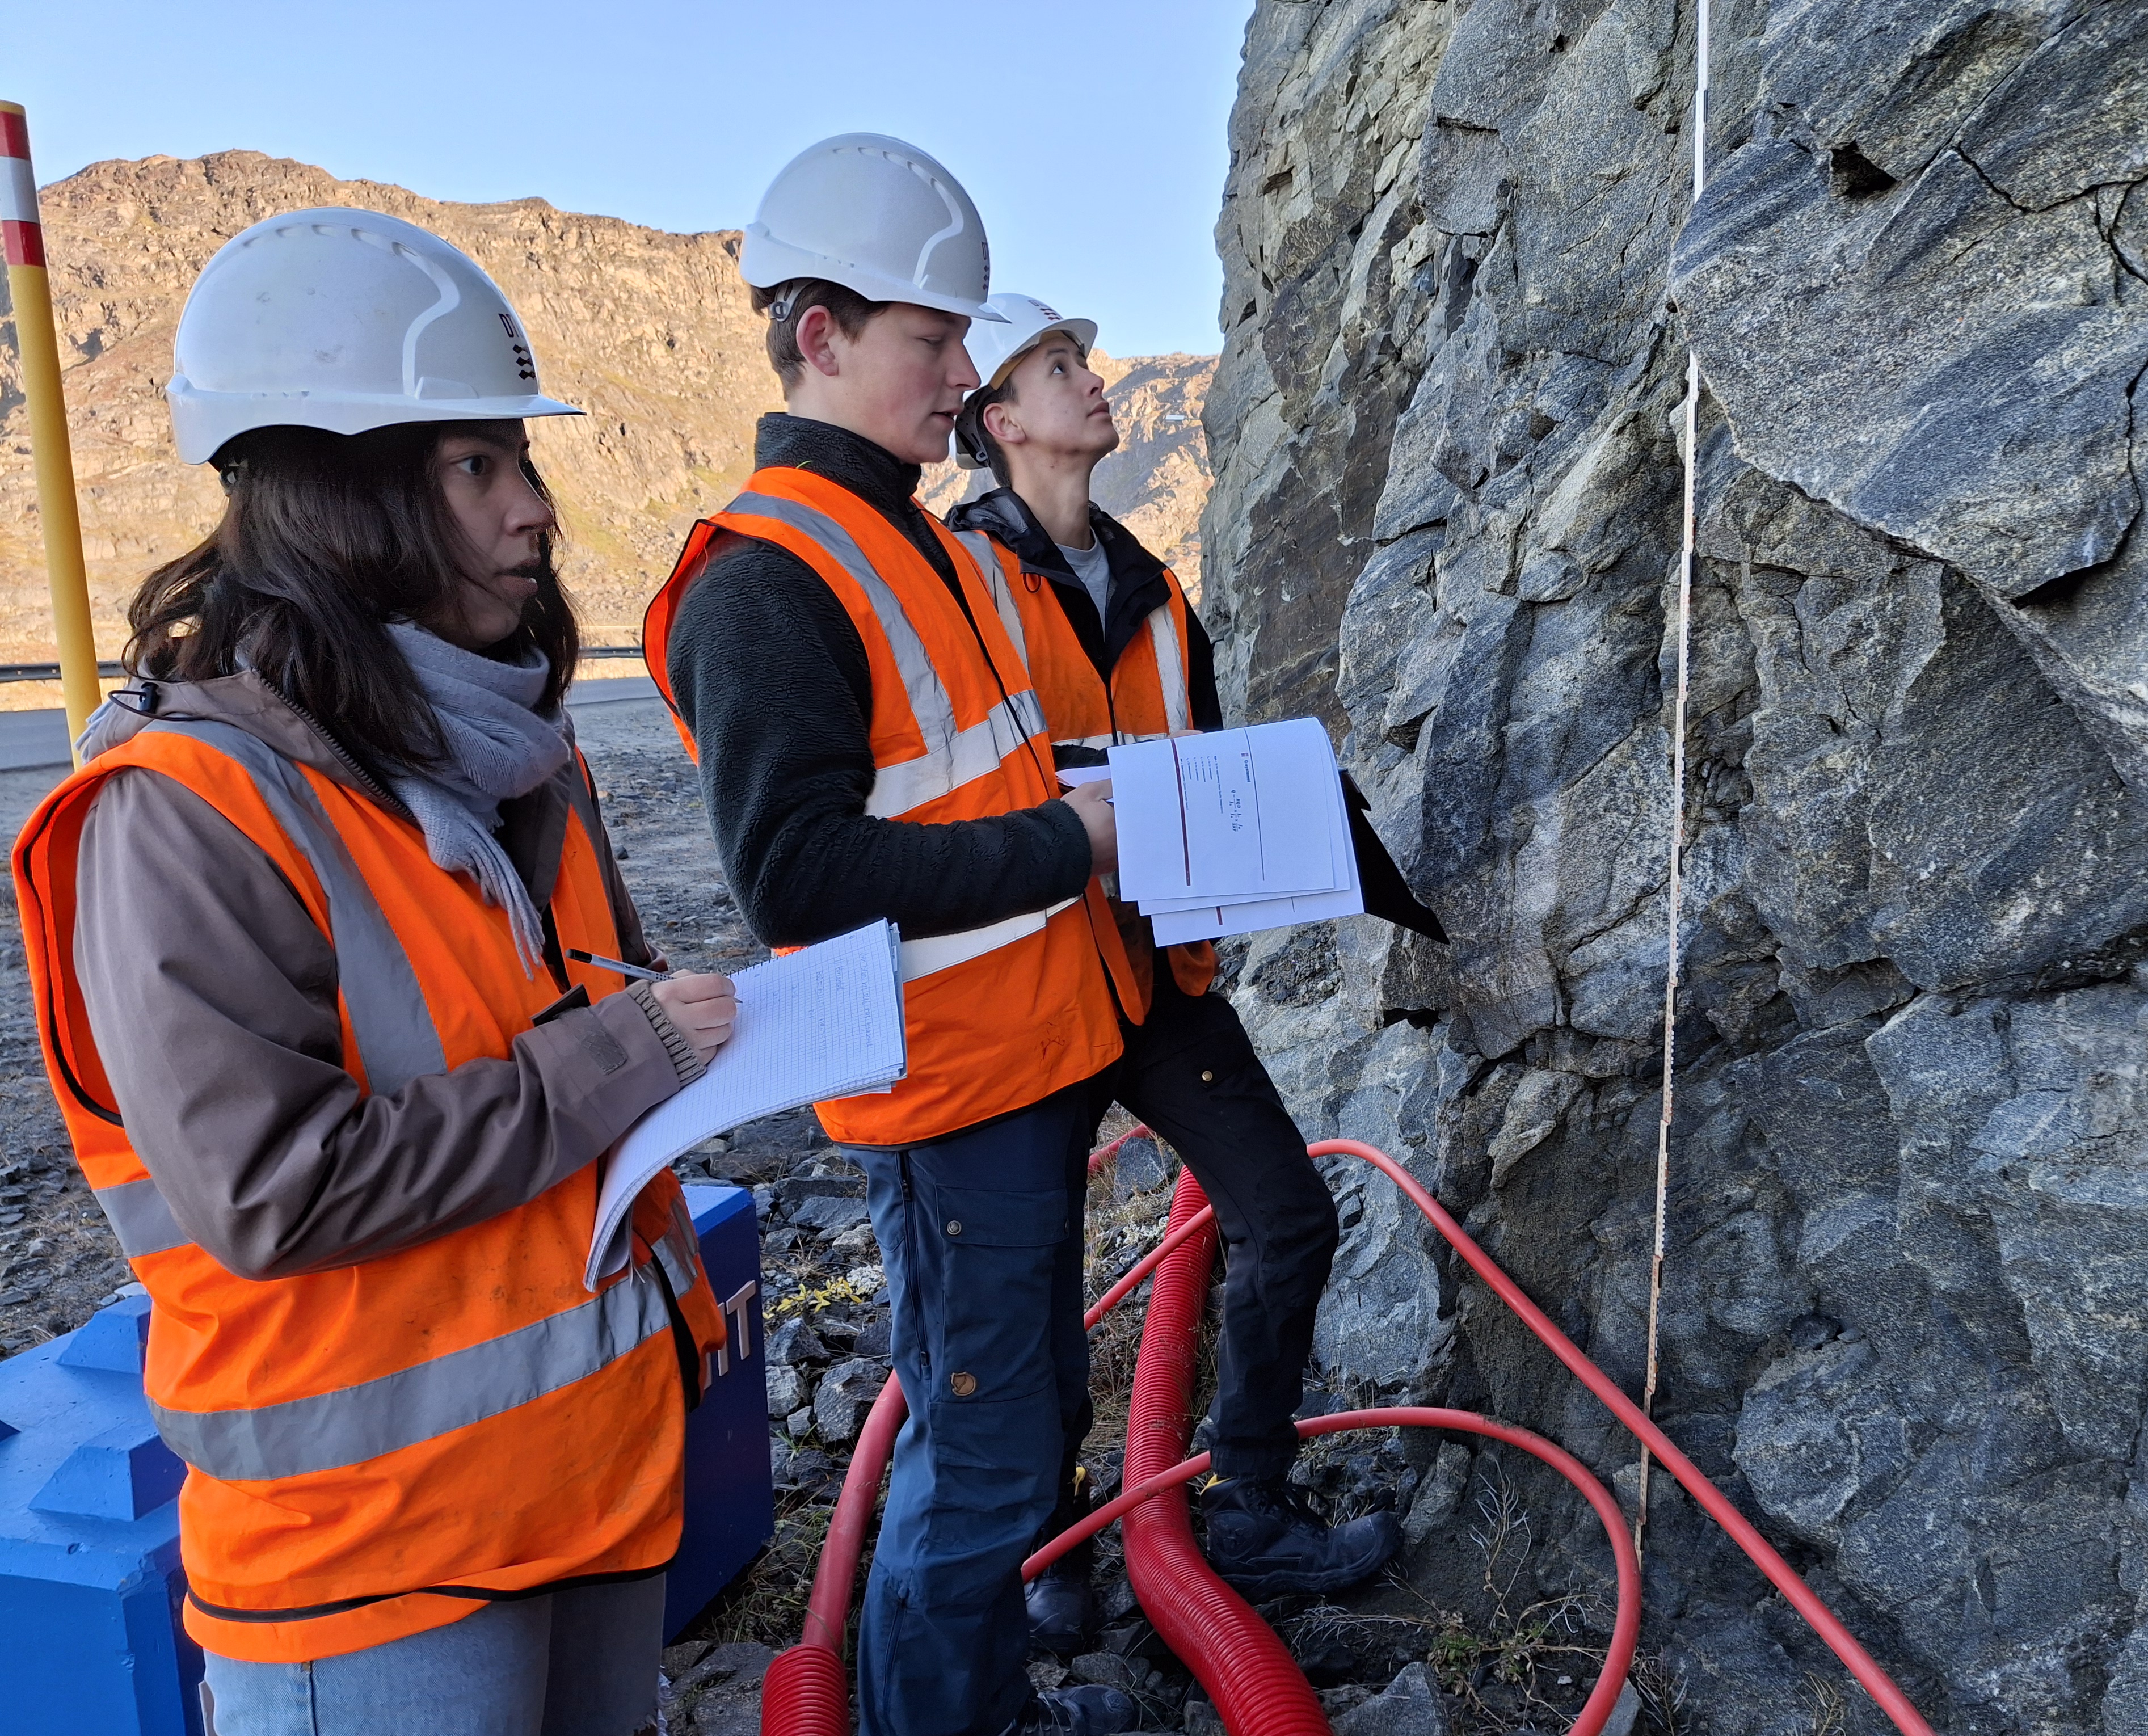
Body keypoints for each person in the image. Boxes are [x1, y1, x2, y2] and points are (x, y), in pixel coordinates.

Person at [13, 209, 738, 1736]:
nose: (534, 514)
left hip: (591, 1497)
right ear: (333, 492)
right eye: (477, 465)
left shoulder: (516, 759)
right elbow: (277, 1187)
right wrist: (635, 1054)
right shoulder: (177, 814)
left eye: (520, 464)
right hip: (374, 1573)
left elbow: (561, 1030)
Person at [639, 139, 1136, 1736]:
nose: (965, 373)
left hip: (1027, 1062)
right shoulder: (767, 576)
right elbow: (796, 872)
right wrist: (1071, 839)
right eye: (934, 340)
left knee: (1024, 1418)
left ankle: (984, 1700)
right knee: (983, 1465)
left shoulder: (913, 531)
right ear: (821, 337)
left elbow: (953, 780)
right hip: (949, 1096)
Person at [945, 299, 1441, 1652]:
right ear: (1001, 424)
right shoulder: (956, 588)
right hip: (1028, 988)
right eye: (1061, 370)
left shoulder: (1157, 592)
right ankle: (1050, 1546)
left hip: (1158, 978)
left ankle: (1251, 1508)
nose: (1092, 383)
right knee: (1036, 1287)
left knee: (1287, 1216)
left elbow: (1205, 760)